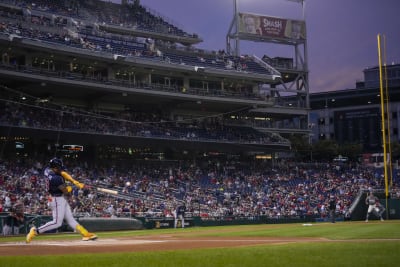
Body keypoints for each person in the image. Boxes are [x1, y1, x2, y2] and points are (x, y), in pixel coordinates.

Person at [26, 158, 97, 243]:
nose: (60, 168)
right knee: (57, 223)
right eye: (59, 167)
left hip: (59, 198)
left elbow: (63, 173)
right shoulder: (56, 179)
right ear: (55, 167)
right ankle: (35, 231)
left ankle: (86, 234)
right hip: (56, 199)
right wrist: (76, 186)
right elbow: (66, 191)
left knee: (70, 219)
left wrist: (74, 181)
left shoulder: (47, 170)